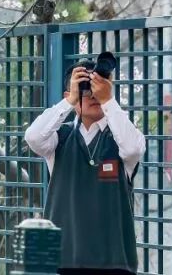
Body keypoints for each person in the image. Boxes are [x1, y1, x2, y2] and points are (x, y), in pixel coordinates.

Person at [24, 56, 146, 275]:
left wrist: (108, 100)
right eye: (85, 89)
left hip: (114, 262)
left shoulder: (121, 137)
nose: (92, 96)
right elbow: (33, 137)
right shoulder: (58, 138)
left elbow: (133, 149)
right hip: (63, 260)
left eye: (98, 87)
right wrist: (70, 100)